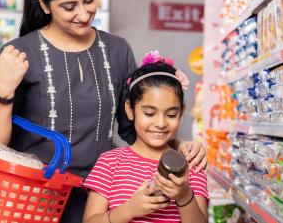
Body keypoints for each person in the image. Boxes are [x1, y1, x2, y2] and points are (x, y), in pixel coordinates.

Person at [0, 0, 208, 223]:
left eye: (89, 0)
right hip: (28, 198)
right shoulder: (19, 53)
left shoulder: (117, 50)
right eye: (69, 6)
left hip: (93, 198)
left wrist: (179, 146)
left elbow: (132, 124)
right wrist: (2, 93)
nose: (84, 13)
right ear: (44, 3)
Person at [82, 53, 208, 223]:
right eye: (149, 113)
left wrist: (184, 195)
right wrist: (129, 210)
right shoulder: (110, 162)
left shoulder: (191, 164)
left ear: (182, 112)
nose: (160, 123)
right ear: (130, 109)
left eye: (171, 114)